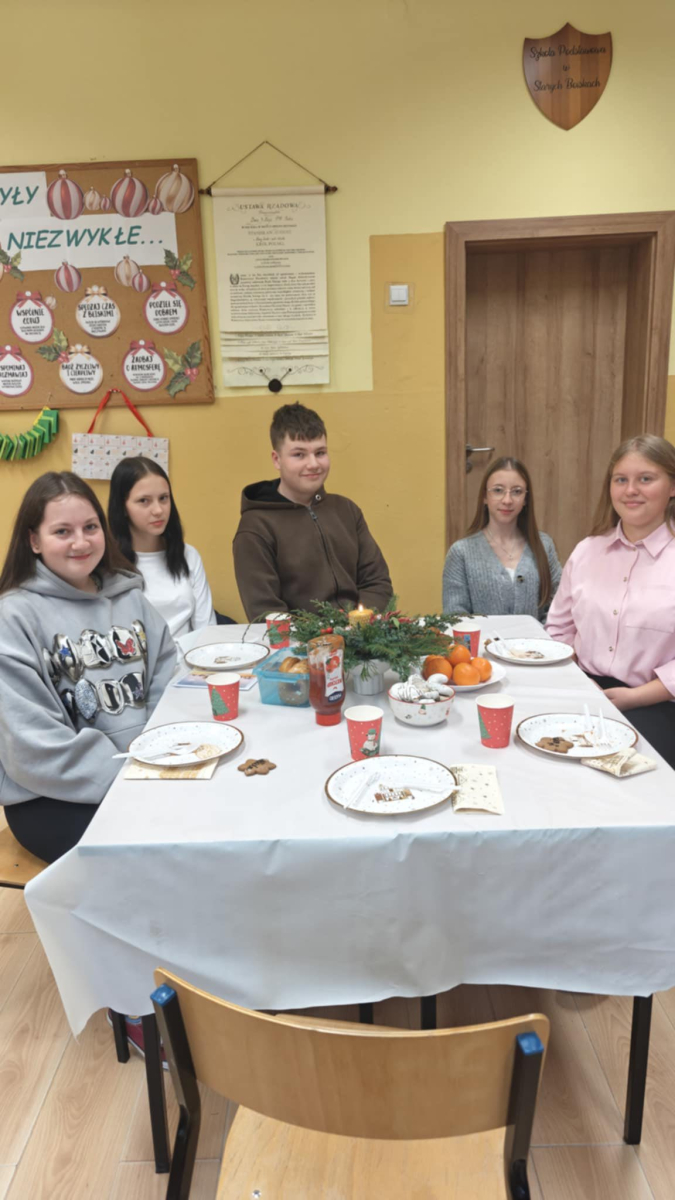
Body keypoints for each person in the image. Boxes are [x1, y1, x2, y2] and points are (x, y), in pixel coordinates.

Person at [0, 471, 176, 863]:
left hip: (147, 774)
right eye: (62, 531)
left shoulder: (130, 598)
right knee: (164, 856)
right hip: (54, 797)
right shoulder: (12, 618)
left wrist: (159, 756)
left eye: (90, 527)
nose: (80, 542)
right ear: (34, 540)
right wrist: (129, 780)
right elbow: (32, 745)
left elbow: (167, 680)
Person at [546, 434, 675, 766]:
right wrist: (578, 679)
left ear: (672, 487)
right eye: (621, 480)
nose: (630, 490)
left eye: (645, 479)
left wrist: (635, 697)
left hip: (658, 703)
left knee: (631, 779)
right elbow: (558, 629)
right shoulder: (587, 550)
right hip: (582, 687)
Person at [233, 402, 393, 619]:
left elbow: (377, 582)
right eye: (299, 455)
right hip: (299, 639)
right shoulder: (255, 527)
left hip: (362, 630)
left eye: (320, 452)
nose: (313, 464)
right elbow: (265, 611)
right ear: (277, 460)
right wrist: (323, 634)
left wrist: (357, 624)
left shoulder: (347, 510)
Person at [108, 456, 215, 642]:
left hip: (189, 657)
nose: (158, 510)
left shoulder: (188, 555)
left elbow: (207, 629)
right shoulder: (107, 562)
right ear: (123, 507)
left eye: (163, 498)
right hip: (136, 659)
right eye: (144, 501)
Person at [442, 456, 561, 619]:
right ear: (485, 497)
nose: (507, 500)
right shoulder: (461, 552)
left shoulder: (544, 545)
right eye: (498, 490)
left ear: (525, 499)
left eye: (517, 492)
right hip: (480, 636)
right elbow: (455, 617)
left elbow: (558, 610)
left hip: (537, 636)